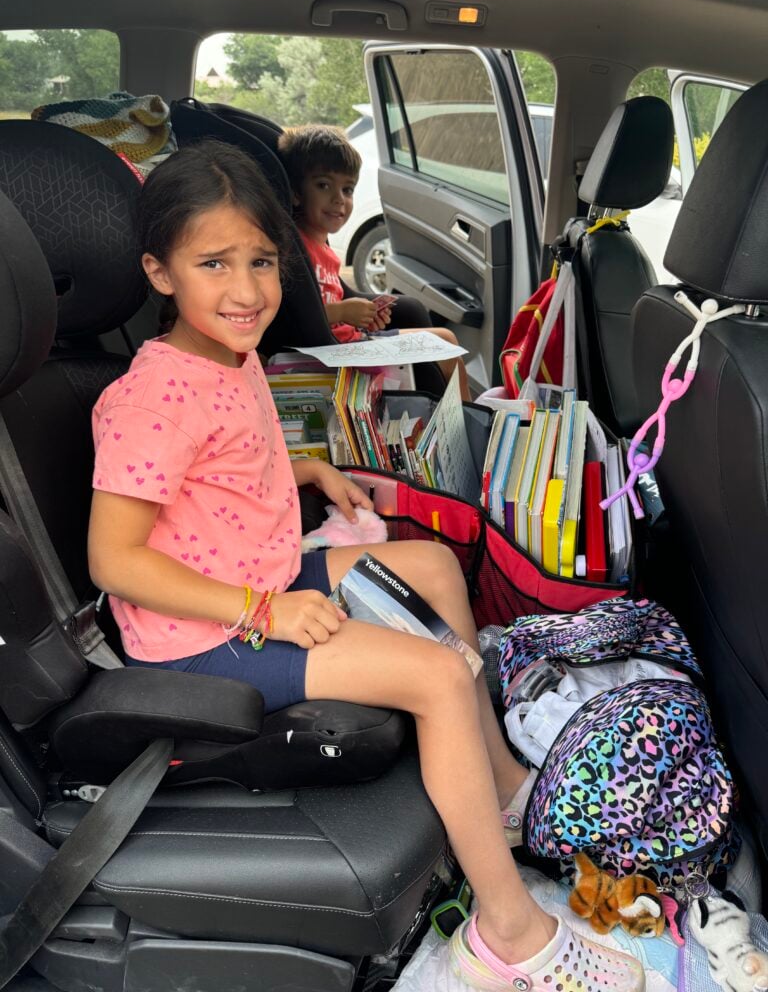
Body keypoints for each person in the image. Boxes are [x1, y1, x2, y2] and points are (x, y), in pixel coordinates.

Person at [87, 140, 643, 992]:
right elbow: (115, 559)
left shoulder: (225, 355)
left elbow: (221, 466)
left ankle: (494, 786)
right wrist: (263, 612)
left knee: (432, 564)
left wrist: (303, 470)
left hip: (259, 579)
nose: (247, 290)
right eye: (213, 263)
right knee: (438, 677)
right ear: (159, 273)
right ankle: (509, 934)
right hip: (201, 634)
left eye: (263, 261)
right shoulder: (149, 398)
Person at [278, 123, 471, 400]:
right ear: (296, 193)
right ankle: (468, 422)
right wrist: (343, 312)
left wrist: (364, 315)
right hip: (335, 354)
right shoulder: (295, 247)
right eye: (323, 185)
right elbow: (290, 317)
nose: (339, 200)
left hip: (351, 341)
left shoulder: (324, 249)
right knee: (445, 341)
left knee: (444, 338)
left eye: (348, 190)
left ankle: (464, 419)